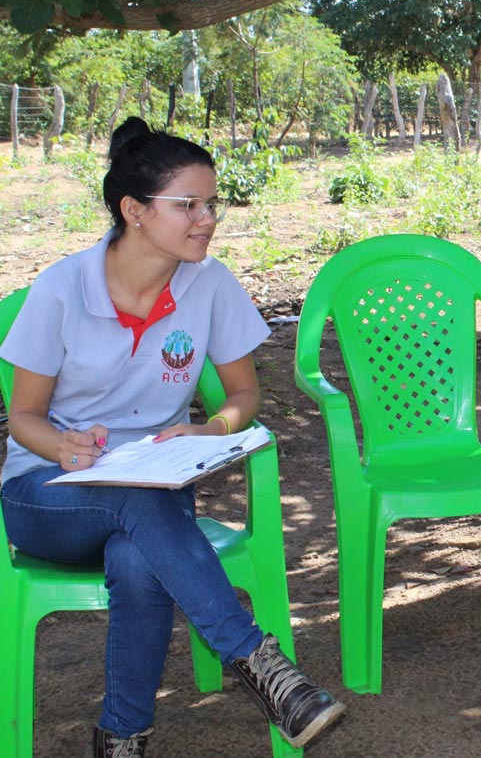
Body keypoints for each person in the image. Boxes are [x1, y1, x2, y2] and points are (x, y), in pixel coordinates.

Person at [0, 117, 345, 757]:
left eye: (211, 203)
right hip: (49, 493)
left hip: (156, 490)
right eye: (187, 204)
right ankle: (259, 664)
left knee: (139, 558)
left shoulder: (208, 283)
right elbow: (23, 416)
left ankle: (121, 738)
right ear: (134, 210)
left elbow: (244, 395)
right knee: (135, 501)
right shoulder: (60, 290)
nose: (207, 218)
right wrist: (64, 448)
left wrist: (211, 427)